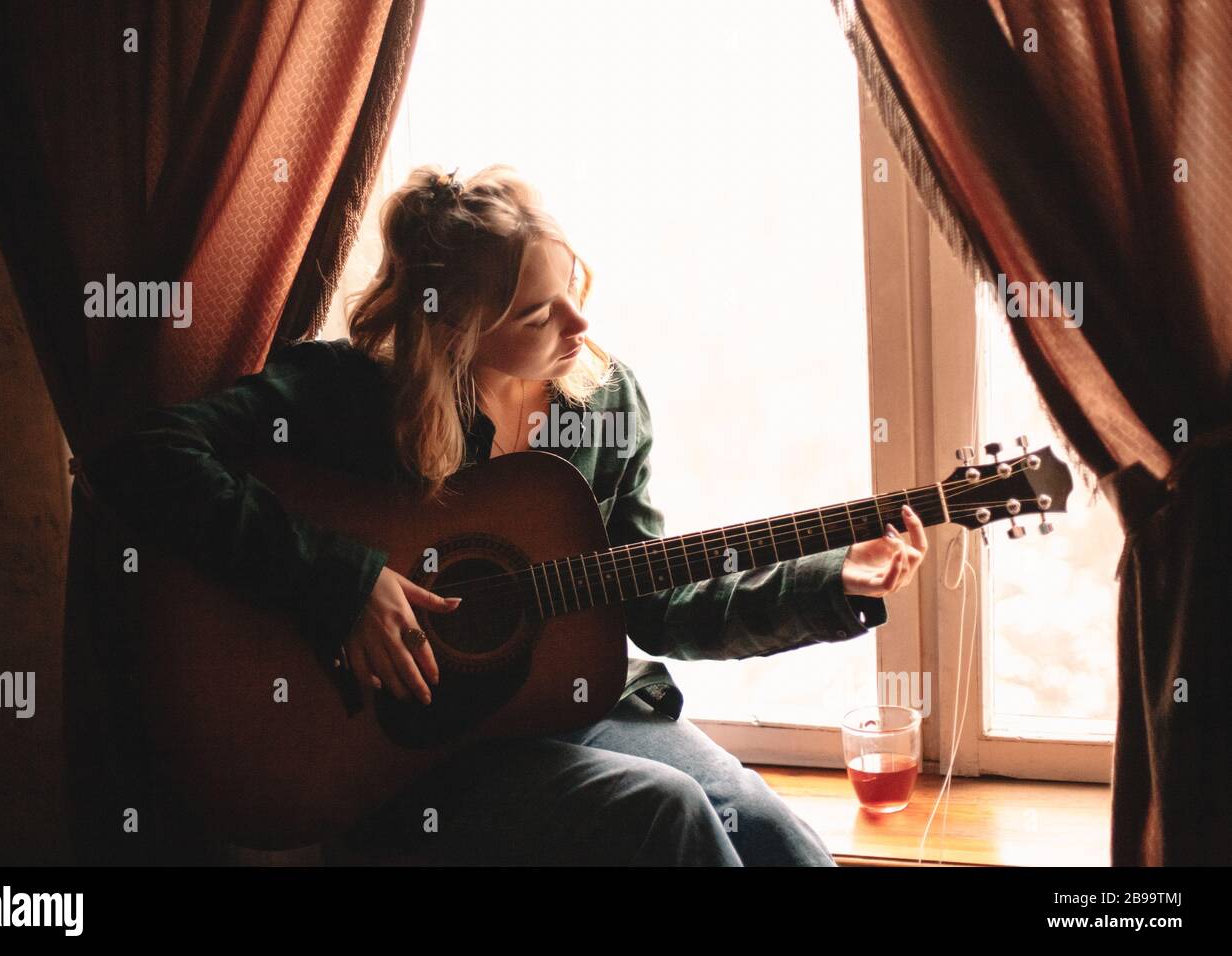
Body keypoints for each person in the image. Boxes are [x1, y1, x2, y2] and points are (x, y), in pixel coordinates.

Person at [85, 163, 928, 866]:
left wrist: (833, 583)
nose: (579, 323)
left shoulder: (601, 402)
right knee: (667, 816)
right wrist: (340, 581)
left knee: (778, 836)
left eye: (572, 290)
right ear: (455, 330)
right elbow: (144, 455)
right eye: (537, 313)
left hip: (574, 709)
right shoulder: (348, 397)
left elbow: (654, 604)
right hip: (408, 757)